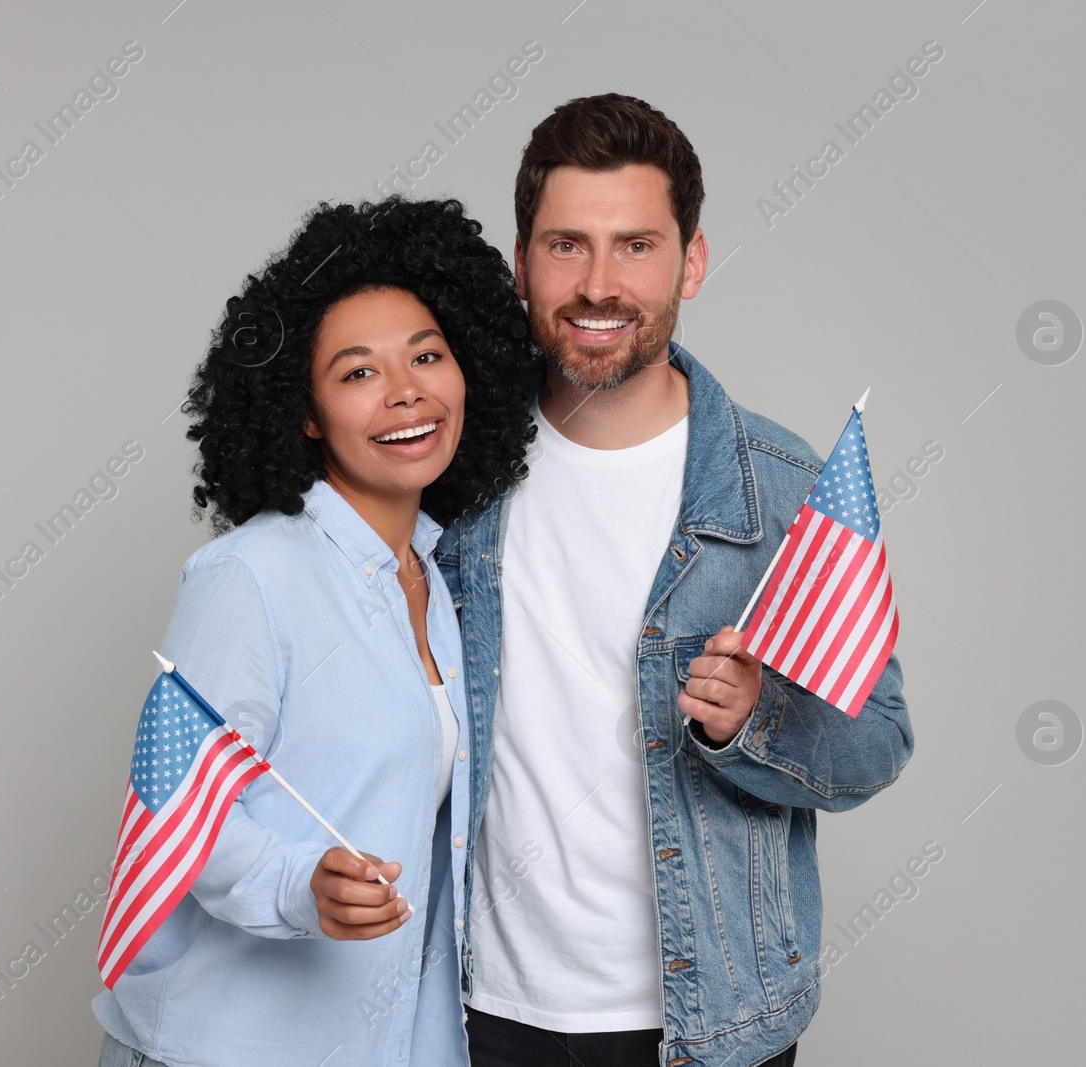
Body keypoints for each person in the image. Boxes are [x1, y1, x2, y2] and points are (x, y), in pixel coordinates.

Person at [437, 94, 916, 1067]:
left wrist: (753, 722)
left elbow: (877, 742)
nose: (599, 283)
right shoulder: (450, 469)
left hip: (711, 1020)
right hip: (475, 1005)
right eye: (565, 244)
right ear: (522, 259)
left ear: (691, 260)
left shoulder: (779, 489)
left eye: (636, 245)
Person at [91, 196, 542, 1066]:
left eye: (426, 355)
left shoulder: (431, 579)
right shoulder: (253, 577)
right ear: (305, 413)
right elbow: (176, 805)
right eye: (358, 372)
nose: (406, 389)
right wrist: (303, 886)